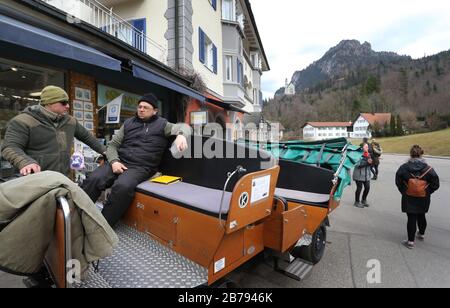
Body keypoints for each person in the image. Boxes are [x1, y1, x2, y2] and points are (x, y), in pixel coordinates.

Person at [81, 93, 191, 227]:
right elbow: (113, 145)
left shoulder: (163, 124)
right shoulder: (128, 123)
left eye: (146, 107)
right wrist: (114, 161)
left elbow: (185, 127)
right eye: (139, 106)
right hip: (120, 161)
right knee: (93, 178)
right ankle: (77, 214)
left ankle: (103, 226)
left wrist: (181, 136)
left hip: (142, 166)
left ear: (155, 110)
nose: (141, 109)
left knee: (122, 187)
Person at [1, 86, 105, 177]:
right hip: (34, 180)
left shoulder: (70, 121)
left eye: (67, 102)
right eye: (63, 103)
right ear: (49, 103)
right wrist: (25, 162)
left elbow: (88, 138)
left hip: (62, 178)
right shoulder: (23, 121)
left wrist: (107, 153)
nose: (68, 106)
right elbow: (9, 147)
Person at [395, 145, 440, 249]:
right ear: (421, 154)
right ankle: (421, 234)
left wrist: (404, 191)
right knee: (421, 215)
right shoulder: (429, 169)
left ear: (411, 154)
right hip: (424, 196)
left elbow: (398, 181)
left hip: (408, 196)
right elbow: (436, 184)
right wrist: (427, 191)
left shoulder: (404, 167)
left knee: (411, 217)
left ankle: (410, 242)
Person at [353, 143, 373, 208]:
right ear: (362, 148)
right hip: (358, 175)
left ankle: (363, 200)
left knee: (367, 187)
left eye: (368, 147)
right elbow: (357, 165)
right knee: (359, 188)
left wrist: (371, 163)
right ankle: (356, 202)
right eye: (366, 147)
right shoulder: (357, 155)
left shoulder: (369, 154)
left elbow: (370, 165)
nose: (368, 148)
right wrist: (367, 162)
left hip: (366, 175)